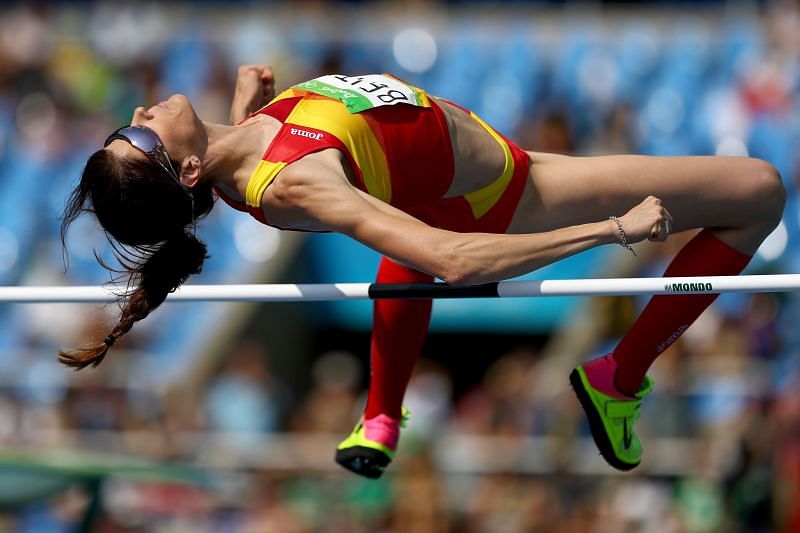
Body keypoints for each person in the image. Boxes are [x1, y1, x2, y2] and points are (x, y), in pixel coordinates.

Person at [60, 65, 786, 478]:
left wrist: (249, 103)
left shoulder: (231, 151)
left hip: (475, 170)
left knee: (400, 240)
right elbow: (446, 258)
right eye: (139, 135)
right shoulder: (295, 182)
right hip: (512, 190)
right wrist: (608, 231)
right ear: (183, 166)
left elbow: (234, 168)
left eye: (124, 128)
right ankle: (619, 380)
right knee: (759, 192)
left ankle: (381, 415)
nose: (137, 110)